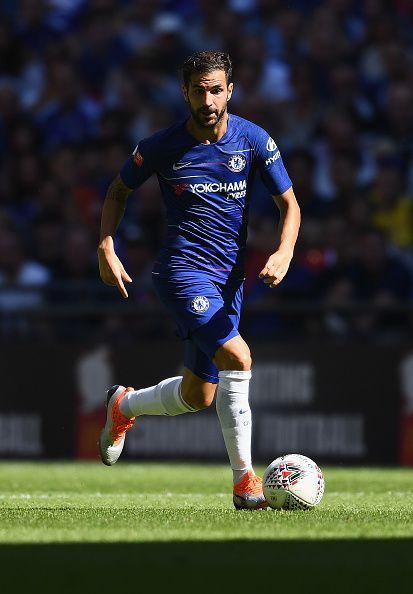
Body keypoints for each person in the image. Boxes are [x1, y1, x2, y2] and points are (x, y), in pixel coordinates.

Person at [97, 51, 300, 510]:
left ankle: (122, 405)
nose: (207, 98)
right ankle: (245, 485)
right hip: (182, 273)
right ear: (184, 91)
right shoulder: (162, 145)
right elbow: (118, 190)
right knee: (238, 355)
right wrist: (106, 245)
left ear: (230, 89)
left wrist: (285, 250)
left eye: (215, 88)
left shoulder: (253, 141)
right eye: (197, 89)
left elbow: (290, 203)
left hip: (229, 281)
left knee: (199, 395)